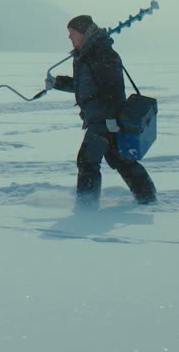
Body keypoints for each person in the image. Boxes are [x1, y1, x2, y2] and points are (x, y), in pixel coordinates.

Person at [45, 14, 157, 210]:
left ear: (83, 32)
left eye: (72, 34)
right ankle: (147, 197)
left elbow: (113, 88)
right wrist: (57, 83)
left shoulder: (102, 54)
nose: (69, 38)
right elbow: (85, 86)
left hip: (104, 119)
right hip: (99, 118)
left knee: (87, 160)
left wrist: (112, 119)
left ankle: (86, 207)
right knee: (120, 159)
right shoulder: (85, 55)